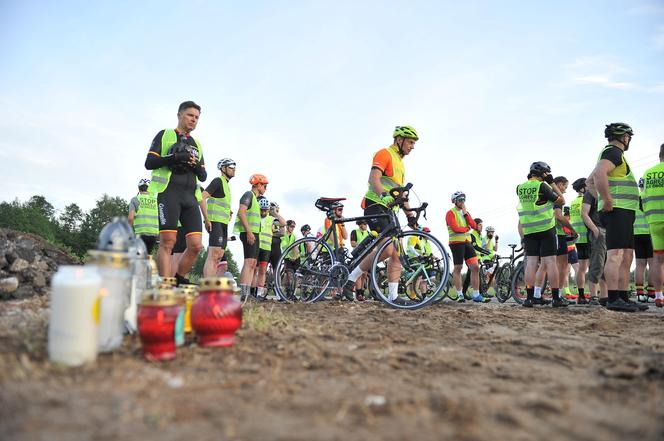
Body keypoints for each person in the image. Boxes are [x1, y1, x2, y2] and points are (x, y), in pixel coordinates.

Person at [340, 126, 419, 304]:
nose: (412, 147)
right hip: (375, 204)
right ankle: (350, 279)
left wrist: (410, 215)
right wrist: (383, 194)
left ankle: (393, 297)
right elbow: (373, 179)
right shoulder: (384, 154)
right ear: (399, 140)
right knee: (388, 249)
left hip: (390, 209)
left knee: (396, 252)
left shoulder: (401, 164)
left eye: (414, 143)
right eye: (410, 142)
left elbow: (401, 194)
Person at [144, 101, 206, 284]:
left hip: (190, 197)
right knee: (168, 242)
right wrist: (176, 157)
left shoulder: (197, 143)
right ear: (179, 115)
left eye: (196, 117)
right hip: (169, 191)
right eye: (190, 115)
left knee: (196, 246)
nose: (193, 120)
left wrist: (193, 164)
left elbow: (203, 175)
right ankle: (165, 284)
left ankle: (179, 278)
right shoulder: (165, 135)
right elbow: (149, 162)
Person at [587, 122, 645, 312]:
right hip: (617, 211)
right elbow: (598, 174)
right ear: (624, 137)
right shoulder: (613, 152)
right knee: (616, 255)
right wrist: (607, 200)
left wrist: (603, 200)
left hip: (624, 211)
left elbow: (589, 182)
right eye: (628, 136)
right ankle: (613, 298)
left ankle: (622, 296)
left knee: (627, 255)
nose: (629, 140)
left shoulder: (613, 155)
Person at [516, 161, 567, 308]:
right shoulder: (542, 186)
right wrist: (552, 183)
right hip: (545, 228)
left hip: (529, 230)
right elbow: (561, 200)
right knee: (550, 262)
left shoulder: (519, 188)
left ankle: (529, 298)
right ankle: (557, 298)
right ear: (543, 173)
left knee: (531, 263)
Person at [446, 191, 489, 303]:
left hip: (467, 242)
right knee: (458, 268)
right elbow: (455, 228)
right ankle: (460, 295)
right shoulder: (450, 213)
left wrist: (466, 214)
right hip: (456, 243)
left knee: (475, 267)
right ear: (454, 201)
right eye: (460, 200)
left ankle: (476, 295)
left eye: (464, 200)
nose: (462, 202)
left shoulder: (466, 213)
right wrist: (466, 229)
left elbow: (474, 226)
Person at [234, 174, 268, 300]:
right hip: (249, 233)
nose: (265, 188)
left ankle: (247, 293)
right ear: (258, 184)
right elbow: (241, 212)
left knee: (253, 264)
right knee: (249, 263)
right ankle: (244, 294)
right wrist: (248, 232)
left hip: (253, 233)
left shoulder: (254, 198)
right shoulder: (248, 195)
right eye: (264, 185)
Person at [201, 158, 235, 277]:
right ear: (223, 168)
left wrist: (228, 212)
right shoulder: (218, 181)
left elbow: (219, 202)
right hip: (215, 222)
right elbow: (202, 197)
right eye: (231, 167)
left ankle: (213, 285)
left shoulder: (226, 185)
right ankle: (207, 287)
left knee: (219, 256)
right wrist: (206, 219)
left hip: (223, 224)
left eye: (234, 167)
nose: (234, 170)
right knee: (214, 255)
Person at [641, 143, 664, 308]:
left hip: (654, 221)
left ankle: (658, 296)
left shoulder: (648, 173)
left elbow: (643, 198)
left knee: (658, 260)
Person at [582, 180, 607, 304]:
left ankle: (605, 296)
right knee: (597, 263)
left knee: (608, 265)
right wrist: (595, 230)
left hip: (610, 230)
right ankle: (593, 296)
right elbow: (584, 213)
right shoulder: (590, 193)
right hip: (598, 231)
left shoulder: (608, 191)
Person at [255, 198, 285, 300]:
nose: (273, 211)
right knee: (260, 269)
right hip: (265, 246)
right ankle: (257, 292)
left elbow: (282, 232)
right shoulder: (263, 218)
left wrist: (275, 214)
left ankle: (278, 293)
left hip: (275, 247)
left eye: (275, 209)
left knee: (277, 269)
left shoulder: (275, 219)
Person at [569, 178, 591, 304]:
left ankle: (581, 295)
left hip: (578, 237)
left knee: (581, 268)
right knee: (594, 266)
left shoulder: (573, 202)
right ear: (583, 188)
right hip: (588, 236)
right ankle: (595, 294)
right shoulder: (586, 199)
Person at [634, 178, 654, 303]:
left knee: (639, 265)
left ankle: (639, 293)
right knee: (653, 264)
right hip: (650, 233)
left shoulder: (634, 199)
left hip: (636, 233)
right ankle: (652, 294)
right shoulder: (650, 197)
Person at [127, 178, 159, 254]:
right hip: (154, 235)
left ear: (139, 188)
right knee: (147, 256)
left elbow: (130, 218)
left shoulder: (135, 200)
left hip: (140, 234)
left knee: (138, 257)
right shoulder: (156, 200)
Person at [351, 220, 371, 301]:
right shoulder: (354, 232)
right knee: (359, 274)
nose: (364, 225)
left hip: (366, 255)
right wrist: (362, 244)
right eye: (362, 224)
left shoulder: (368, 233)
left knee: (364, 274)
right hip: (358, 255)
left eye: (365, 224)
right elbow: (353, 243)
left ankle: (361, 292)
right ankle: (358, 293)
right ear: (359, 225)